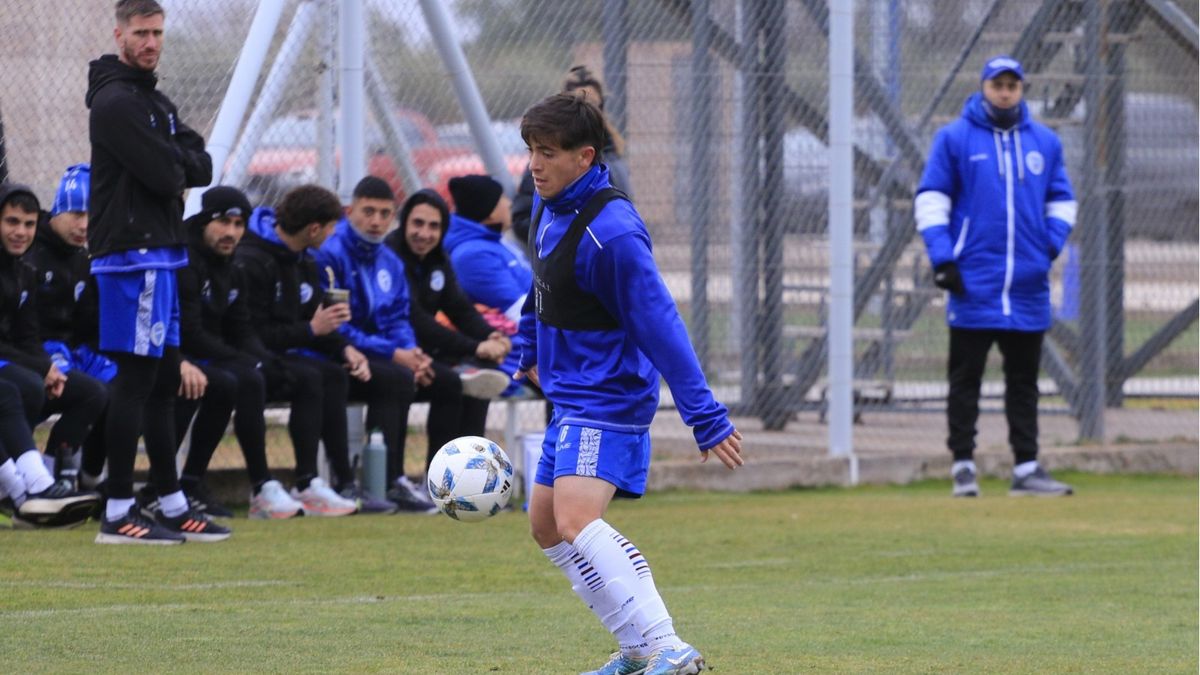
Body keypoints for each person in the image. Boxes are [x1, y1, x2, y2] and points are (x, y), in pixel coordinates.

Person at [516, 93, 743, 675]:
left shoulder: (612, 234)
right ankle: (638, 650)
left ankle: (668, 644)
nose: (534, 165)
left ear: (585, 157)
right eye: (531, 150)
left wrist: (704, 415)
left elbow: (660, 323)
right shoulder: (547, 204)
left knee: (575, 520)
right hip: (571, 396)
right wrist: (527, 346)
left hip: (608, 396)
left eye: (548, 152)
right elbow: (540, 283)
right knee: (547, 526)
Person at [87, 0, 229, 544]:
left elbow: (201, 164)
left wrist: (176, 160)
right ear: (119, 34)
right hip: (133, 256)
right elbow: (166, 175)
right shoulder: (116, 102)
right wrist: (176, 161)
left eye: (158, 33)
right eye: (141, 32)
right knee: (136, 381)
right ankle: (118, 510)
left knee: (164, 379)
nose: (151, 42)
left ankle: (170, 502)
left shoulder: (152, 99)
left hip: (162, 253)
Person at [914, 55, 1077, 498]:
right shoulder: (954, 139)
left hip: (1027, 287)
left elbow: (1062, 200)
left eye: (1012, 85)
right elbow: (932, 199)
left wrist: (1047, 245)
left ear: (1021, 89)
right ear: (983, 87)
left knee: (1024, 384)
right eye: (997, 85)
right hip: (973, 285)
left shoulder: (1045, 142)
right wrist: (944, 260)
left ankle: (1026, 468)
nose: (1005, 93)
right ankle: (963, 467)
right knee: (965, 381)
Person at [313, 176, 469, 513]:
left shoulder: (389, 260)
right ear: (350, 212)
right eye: (368, 212)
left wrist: (411, 353)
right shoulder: (331, 255)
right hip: (340, 353)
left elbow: (399, 318)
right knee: (395, 377)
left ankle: (438, 484)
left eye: (385, 214)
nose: (376, 221)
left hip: (383, 355)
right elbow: (338, 327)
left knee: (448, 382)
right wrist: (395, 354)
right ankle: (388, 480)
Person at [234, 183, 368, 517]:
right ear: (314, 229)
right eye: (331, 227)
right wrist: (311, 329)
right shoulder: (252, 260)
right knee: (308, 377)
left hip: (279, 354)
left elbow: (312, 319)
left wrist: (345, 348)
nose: (333, 235)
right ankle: (265, 488)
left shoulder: (304, 261)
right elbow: (250, 333)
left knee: (334, 374)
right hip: (246, 357)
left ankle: (330, 482)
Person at [173, 186, 304, 519]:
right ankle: (167, 488)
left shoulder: (233, 267)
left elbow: (241, 328)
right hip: (175, 356)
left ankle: (196, 484)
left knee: (260, 377)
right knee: (232, 381)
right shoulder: (185, 261)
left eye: (238, 224)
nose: (231, 232)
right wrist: (242, 360)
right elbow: (189, 333)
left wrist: (265, 361)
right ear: (204, 221)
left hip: (206, 356)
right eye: (223, 222)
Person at [385, 188, 513, 440]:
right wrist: (476, 346)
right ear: (404, 222)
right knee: (449, 382)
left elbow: (460, 308)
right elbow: (415, 319)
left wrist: (492, 335)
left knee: (484, 369)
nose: (424, 234)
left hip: (426, 349)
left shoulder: (438, 258)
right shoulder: (390, 256)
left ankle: (469, 459)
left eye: (434, 226)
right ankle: (440, 464)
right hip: (394, 349)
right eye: (418, 223)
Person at [28, 164, 113, 491]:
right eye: (77, 214)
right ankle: (50, 480)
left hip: (68, 353)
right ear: (59, 209)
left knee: (125, 388)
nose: (84, 225)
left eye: (92, 216)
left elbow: (86, 325)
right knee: (90, 392)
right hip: (31, 355)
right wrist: (44, 361)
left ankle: (91, 478)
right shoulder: (29, 252)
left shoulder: (82, 259)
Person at [511, 64, 633, 245]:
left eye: (593, 103)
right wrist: (565, 243)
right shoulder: (546, 166)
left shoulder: (612, 151)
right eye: (580, 103)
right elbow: (523, 218)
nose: (588, 109)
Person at [441, 175, 536, 400]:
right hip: (512, 342)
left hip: (532, 333)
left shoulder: (494, 242)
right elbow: (518, 311)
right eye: (502, 198)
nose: (509, 203)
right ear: (490, 210)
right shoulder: (472, 255)